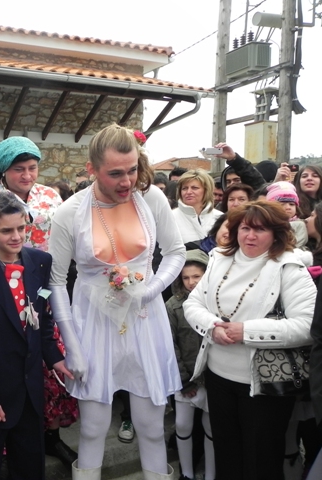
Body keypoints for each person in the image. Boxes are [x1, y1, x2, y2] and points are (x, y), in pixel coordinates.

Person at [49, 123, 185, 479]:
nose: (127, 182)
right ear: (92, 169)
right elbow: (56, 281)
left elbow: (175, 252)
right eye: (115, 174)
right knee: (93, 428)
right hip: (93, 324)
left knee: (151, 427)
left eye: (132, 170)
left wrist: (151, 290)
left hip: (145, 319)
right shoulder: (69, 213)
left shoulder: (151, 199)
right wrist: (72, 346)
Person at [0, 137, 78, 467]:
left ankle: (50, 437)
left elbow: (62, 247)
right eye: (18, 169)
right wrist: (4, 259)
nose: (27, 175)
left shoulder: (48, 201)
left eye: (32, 168)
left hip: (40, 290)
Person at [183, 200, 317, 480]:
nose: (250, 236)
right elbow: (192, 303)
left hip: (264, 387)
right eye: (245, 228)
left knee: (261, 461)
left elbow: (307, 326)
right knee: (226, 454)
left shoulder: (289, 268)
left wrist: (247, 332)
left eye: (260, 229)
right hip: (218, 378)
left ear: (277, 233)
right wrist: (212, 327)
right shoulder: (219, 258)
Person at [166, 250, 215, 480]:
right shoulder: (173, 306)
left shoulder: (217, 303)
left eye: (196, 276)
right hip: (185, 378)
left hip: (212, 378)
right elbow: (170, 344)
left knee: (211, 428)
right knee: (183, 425)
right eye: (186, 277)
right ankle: (186, 473)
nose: (191, 282)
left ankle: (211, 475)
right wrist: (183, 379)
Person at [172, 169, 223, 244]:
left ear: (206, 190)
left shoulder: (220, 217)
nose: (189, 192)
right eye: (184, 188)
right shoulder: (170, 217)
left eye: (194, 188)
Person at [266, 181, 308, 248]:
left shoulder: (299, 224)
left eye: (291, 204)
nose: (288, 207)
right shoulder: (266, 222)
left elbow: (298, 243)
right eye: (282, 204)